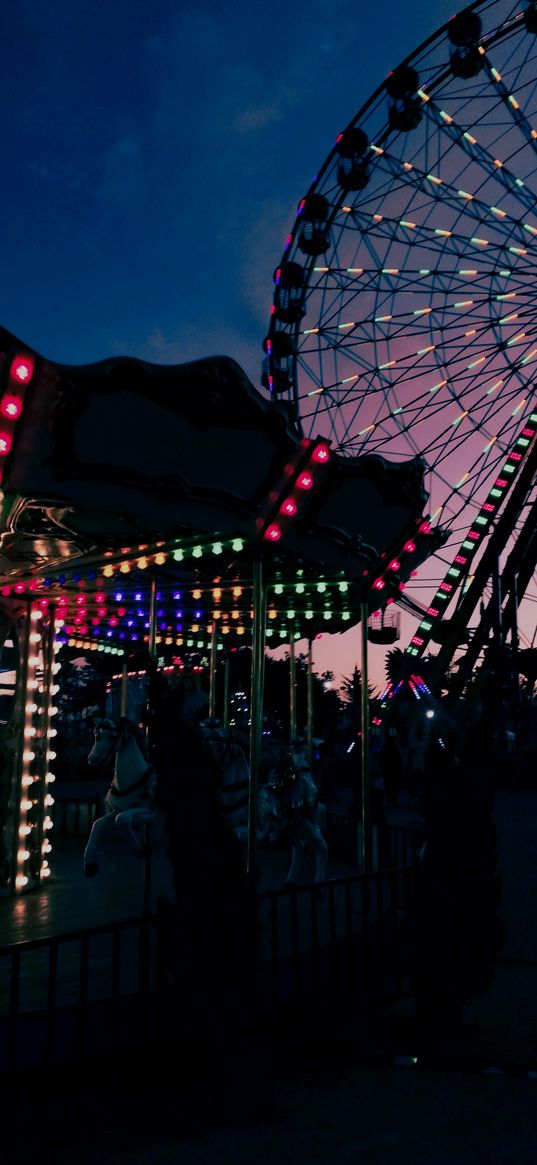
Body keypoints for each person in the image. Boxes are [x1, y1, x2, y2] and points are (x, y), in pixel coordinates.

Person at [379, 728, 403, 807]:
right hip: (393, 770)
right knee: (393, 786)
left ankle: (390, 800)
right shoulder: (394, 748)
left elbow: (382, 760)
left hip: (389, 770)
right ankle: (393, 800)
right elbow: (398, 760)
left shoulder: (386, 748)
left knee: (389, 786)